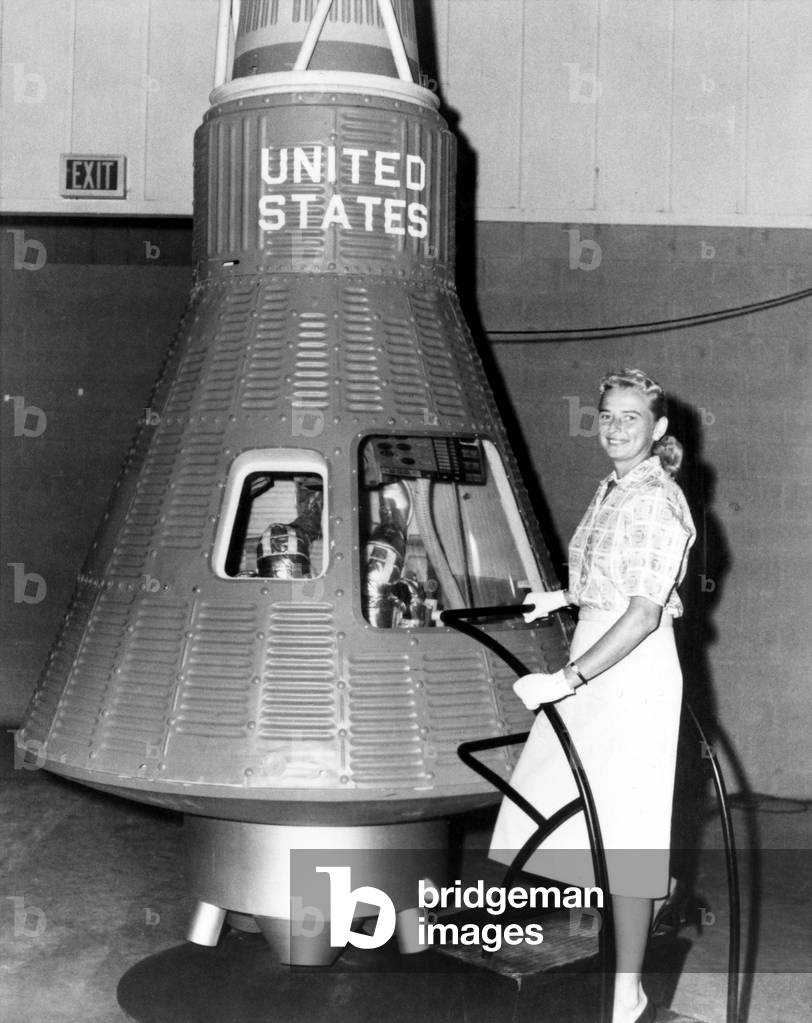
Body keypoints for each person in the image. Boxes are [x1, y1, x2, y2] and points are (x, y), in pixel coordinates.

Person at [489, 369, 696, 1023]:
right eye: (607, 414)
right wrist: (564, 595)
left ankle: (628, 990)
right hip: (596, 652)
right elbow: (610, 577)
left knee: (626, 839)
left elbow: (641, 613)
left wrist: (568, 679)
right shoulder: (612, 488)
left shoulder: (659, 498)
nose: (614, 426)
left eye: (630, 417)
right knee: (569, 820)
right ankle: (638, 924)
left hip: (630, 673)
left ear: (658, 429)